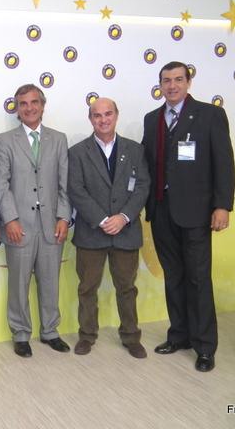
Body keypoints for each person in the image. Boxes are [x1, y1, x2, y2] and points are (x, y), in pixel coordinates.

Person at [142, 61, 235, 372]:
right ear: (160, 84)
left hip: (196, 212)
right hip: (161, 209)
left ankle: (205, 346)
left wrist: (222, 206)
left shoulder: (210, 115)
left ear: (188, 83)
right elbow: (147, 163)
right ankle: (179, 336)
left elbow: (224, 163)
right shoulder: (152, 119)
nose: (172, 86)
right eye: (166, 80)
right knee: (174, 276)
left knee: (197, 279)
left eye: (178, 79)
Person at [0, 84, 71, 358]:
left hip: (52, 225)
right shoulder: (4, 141)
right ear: (17, 108)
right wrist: (10, 219)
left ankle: (50, 331)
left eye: (34, 102)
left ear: (42, 105)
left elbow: (65, 183)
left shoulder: (59, 139)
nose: (29, 108)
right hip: (19, 227)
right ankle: (21, 334)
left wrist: (64, 217)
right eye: (23, 103)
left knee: (51, 282)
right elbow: (1, 185)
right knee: (18, 284)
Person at [68, 97, 150, 358]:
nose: (103, 120)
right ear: (90, 119)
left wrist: (123, 217)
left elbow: (142, 187)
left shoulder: (135, 150)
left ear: (116, 115)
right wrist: (103, 220)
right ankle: (86, 336)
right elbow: (76, 190)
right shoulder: (77, 152)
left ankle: (131, 337)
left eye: (108, 114)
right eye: (97, 115)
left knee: (127, 288)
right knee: (87, 288)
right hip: (92, 232)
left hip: (126, 231)